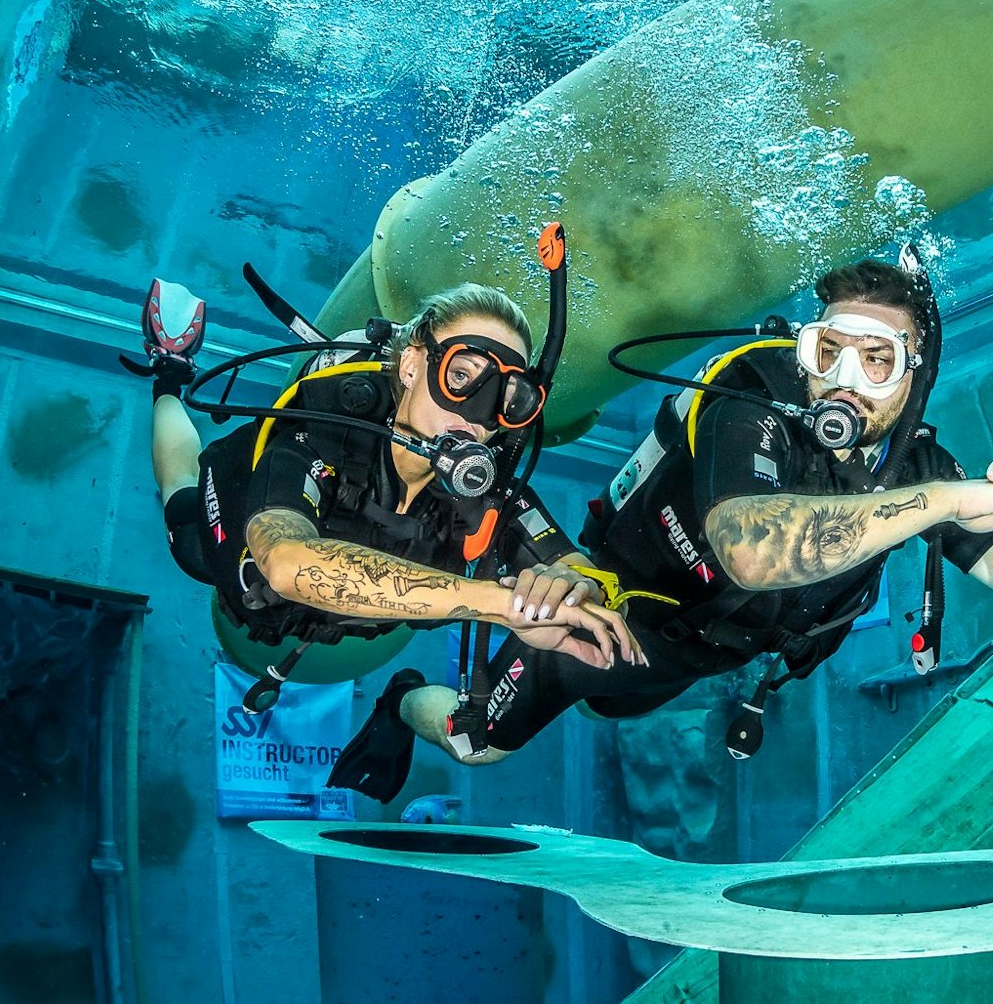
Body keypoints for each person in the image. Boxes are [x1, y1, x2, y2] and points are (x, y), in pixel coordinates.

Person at [362, 254, 993, 772]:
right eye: (828, 352)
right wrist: (939, 502)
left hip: (716, 652)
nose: (842, 383)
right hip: (622, 617)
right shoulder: (751, 395)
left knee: (622, 705)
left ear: (915, 376)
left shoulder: (915, 463)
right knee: (476, 741)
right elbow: (750, 550)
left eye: (876, 362)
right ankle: (399, 700)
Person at [138, 278, 644, 801]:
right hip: (250, 599)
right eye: (462, 375)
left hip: (372, 633)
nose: (476, 414)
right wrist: (500, 605)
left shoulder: (485, 486)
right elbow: (288, 564)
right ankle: (169, 374)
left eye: (506, 399)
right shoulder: (325, 427)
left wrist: (572, 589)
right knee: (183, 511)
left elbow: (576, 565)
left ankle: (399, 703)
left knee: (482, 742)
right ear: (411, 365)